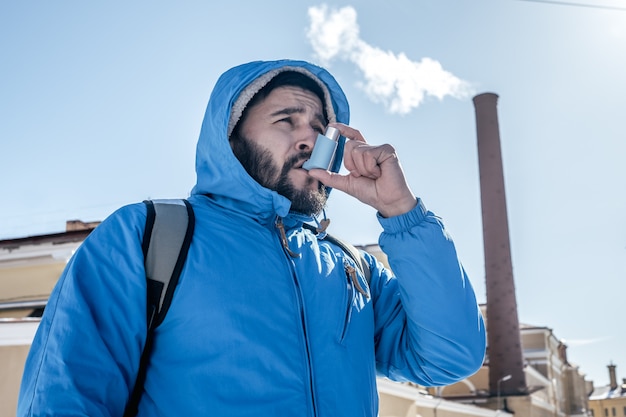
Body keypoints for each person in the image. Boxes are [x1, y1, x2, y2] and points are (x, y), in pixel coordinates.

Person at [17, 59, 486, 417]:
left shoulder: (352, 270)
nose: (310, 140)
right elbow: (66, 397)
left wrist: (402, 214)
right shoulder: (148, 236)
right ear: (231, 139)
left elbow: (450, 357)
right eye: (286, 120)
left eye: (321, 130)